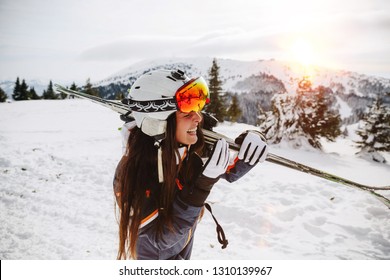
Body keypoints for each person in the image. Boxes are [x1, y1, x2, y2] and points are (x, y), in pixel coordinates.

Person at [113, 69, 268, 260]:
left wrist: (251, 145)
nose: (199, 118)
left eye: (197, 109)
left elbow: (228, 169)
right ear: (158, 122)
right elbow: (160, 239)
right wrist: (201, 187)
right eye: (187, 114)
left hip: (183, 247)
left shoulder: (186, 147)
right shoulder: (132, 173)